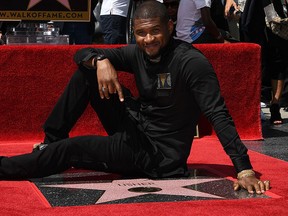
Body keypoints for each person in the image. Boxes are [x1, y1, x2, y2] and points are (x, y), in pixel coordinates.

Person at [0, 1, 269, 194]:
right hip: (136, 126)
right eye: (141, 33)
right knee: (88, 71)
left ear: (170, 26)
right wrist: (101, 59)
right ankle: (52, 140)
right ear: (135, 31)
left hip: (156, 156)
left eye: (155, 31)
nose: (148, 39)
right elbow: (81, 54)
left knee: (71, 150)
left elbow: (218, 114)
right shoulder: (139, 51)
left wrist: (243, 169)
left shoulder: (191, 62)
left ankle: (5, 167)